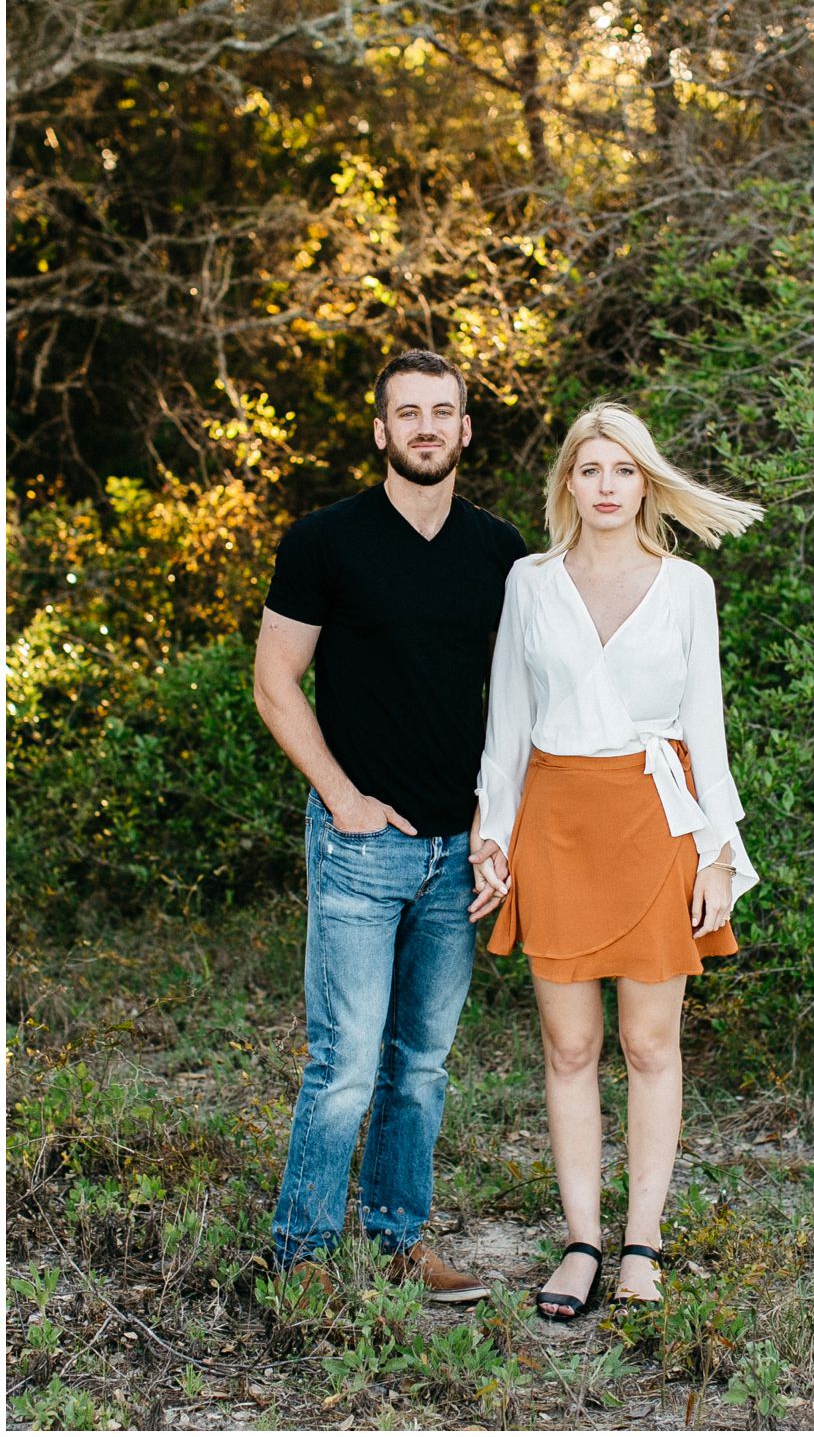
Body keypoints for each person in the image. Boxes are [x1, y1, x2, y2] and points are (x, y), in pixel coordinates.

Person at [467, 401, 762, 1319]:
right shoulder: (529, 580)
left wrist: (718, 853)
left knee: (648, 1042)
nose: (606, 487)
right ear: (567, 481)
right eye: (590, 470)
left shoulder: (686, 587)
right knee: (569, 1045)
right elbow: (506, 724)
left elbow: (705, 732)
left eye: (623, 471)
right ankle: (581, 1242)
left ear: (645, 482)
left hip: (655, 823)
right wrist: (492, 830)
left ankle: (642, 1245)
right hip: (553, 824)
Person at [255, 349, 525, 1304]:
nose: (422, 427)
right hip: (361, 847)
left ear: (462, 431)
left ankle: (400, 1238)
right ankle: (302, 1257)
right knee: (344, 1064)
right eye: (405, 412)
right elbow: (274, 681)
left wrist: (498, 826)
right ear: (379, 431)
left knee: (422, 1065)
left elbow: (519, 704)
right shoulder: (324, 540)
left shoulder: (501, 553)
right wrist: (341, 798)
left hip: (460, 854)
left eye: (440, 412)